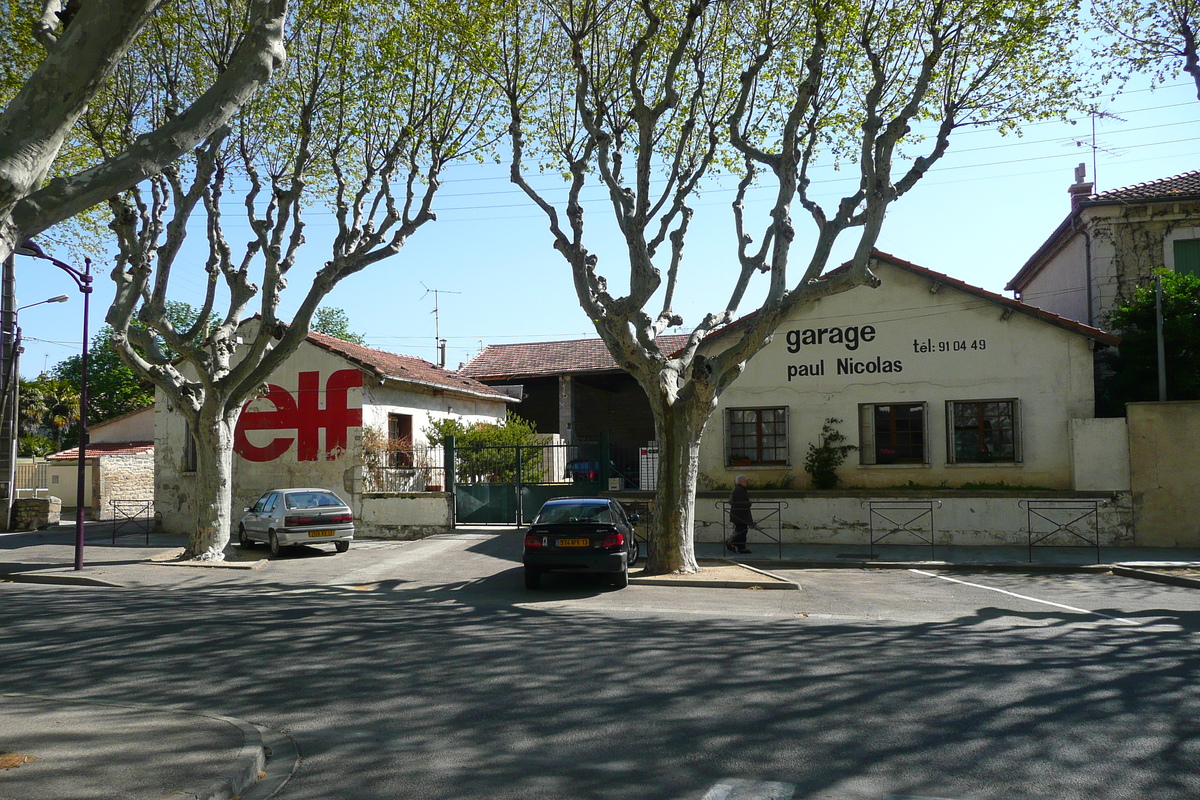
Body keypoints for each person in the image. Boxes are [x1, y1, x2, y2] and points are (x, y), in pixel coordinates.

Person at [728, 474, 753, 554]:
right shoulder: (739, 490)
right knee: (741, 530)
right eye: (745, 481)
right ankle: (732, 542)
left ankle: (741, 547)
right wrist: (749, 503)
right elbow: (741, 502)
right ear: (741, 481)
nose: (746, 482)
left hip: (739, 514)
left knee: (742, 530)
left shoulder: (739, 489)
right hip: (739, 514)